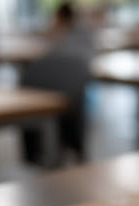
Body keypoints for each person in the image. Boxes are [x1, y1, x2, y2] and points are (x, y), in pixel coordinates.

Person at [22, 3, 95, 163]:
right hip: (72, 92)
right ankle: (65, 148)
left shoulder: (59, 36)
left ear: (59, 17)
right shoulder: (83, 34)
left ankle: (42, 153)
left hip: (50, 90)